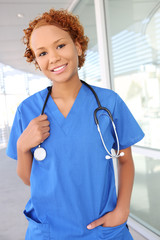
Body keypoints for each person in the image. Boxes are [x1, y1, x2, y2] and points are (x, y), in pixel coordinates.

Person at [6, 8, 144, 240]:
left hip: (101, 228)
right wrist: (22, 146)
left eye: (60, 46)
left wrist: (122, 210)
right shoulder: (27, 110)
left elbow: (126, 161)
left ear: (77, 47)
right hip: (48, 230)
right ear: (37, 62)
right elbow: (30, 179)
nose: (54, 58)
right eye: (42, 53)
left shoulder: (109, 103)